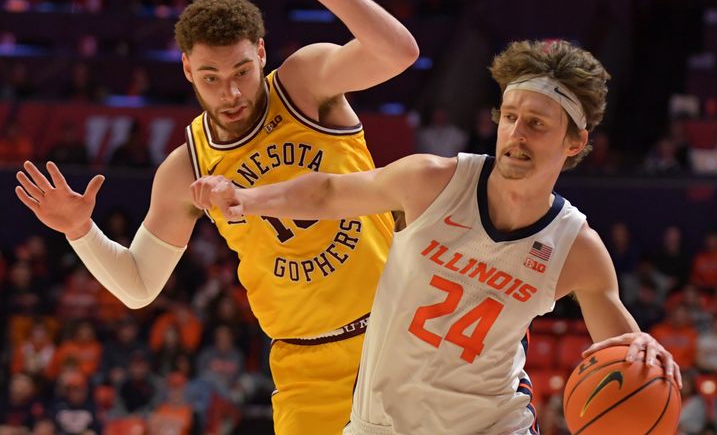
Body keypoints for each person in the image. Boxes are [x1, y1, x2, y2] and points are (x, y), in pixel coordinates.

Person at [14, 0, 418, 435]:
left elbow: (399, 53)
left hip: (400, 330)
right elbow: (139, 286)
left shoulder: (304, 83)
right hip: (307, 365)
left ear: (262, 54)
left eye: (241, 73)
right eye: (211, 78)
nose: (230, 93)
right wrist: (80, 231)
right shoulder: (187, 166)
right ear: (186, 69)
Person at [192, 39, 682, 434]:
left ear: (574, 143)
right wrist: (247, 198)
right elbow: (325, 193)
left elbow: (621, 344)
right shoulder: (434, 181)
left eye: (536, 124)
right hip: (382, 424)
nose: (516, 134)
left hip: (493, 425)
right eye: (510, 117)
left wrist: (647, 354)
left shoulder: (576, 248)